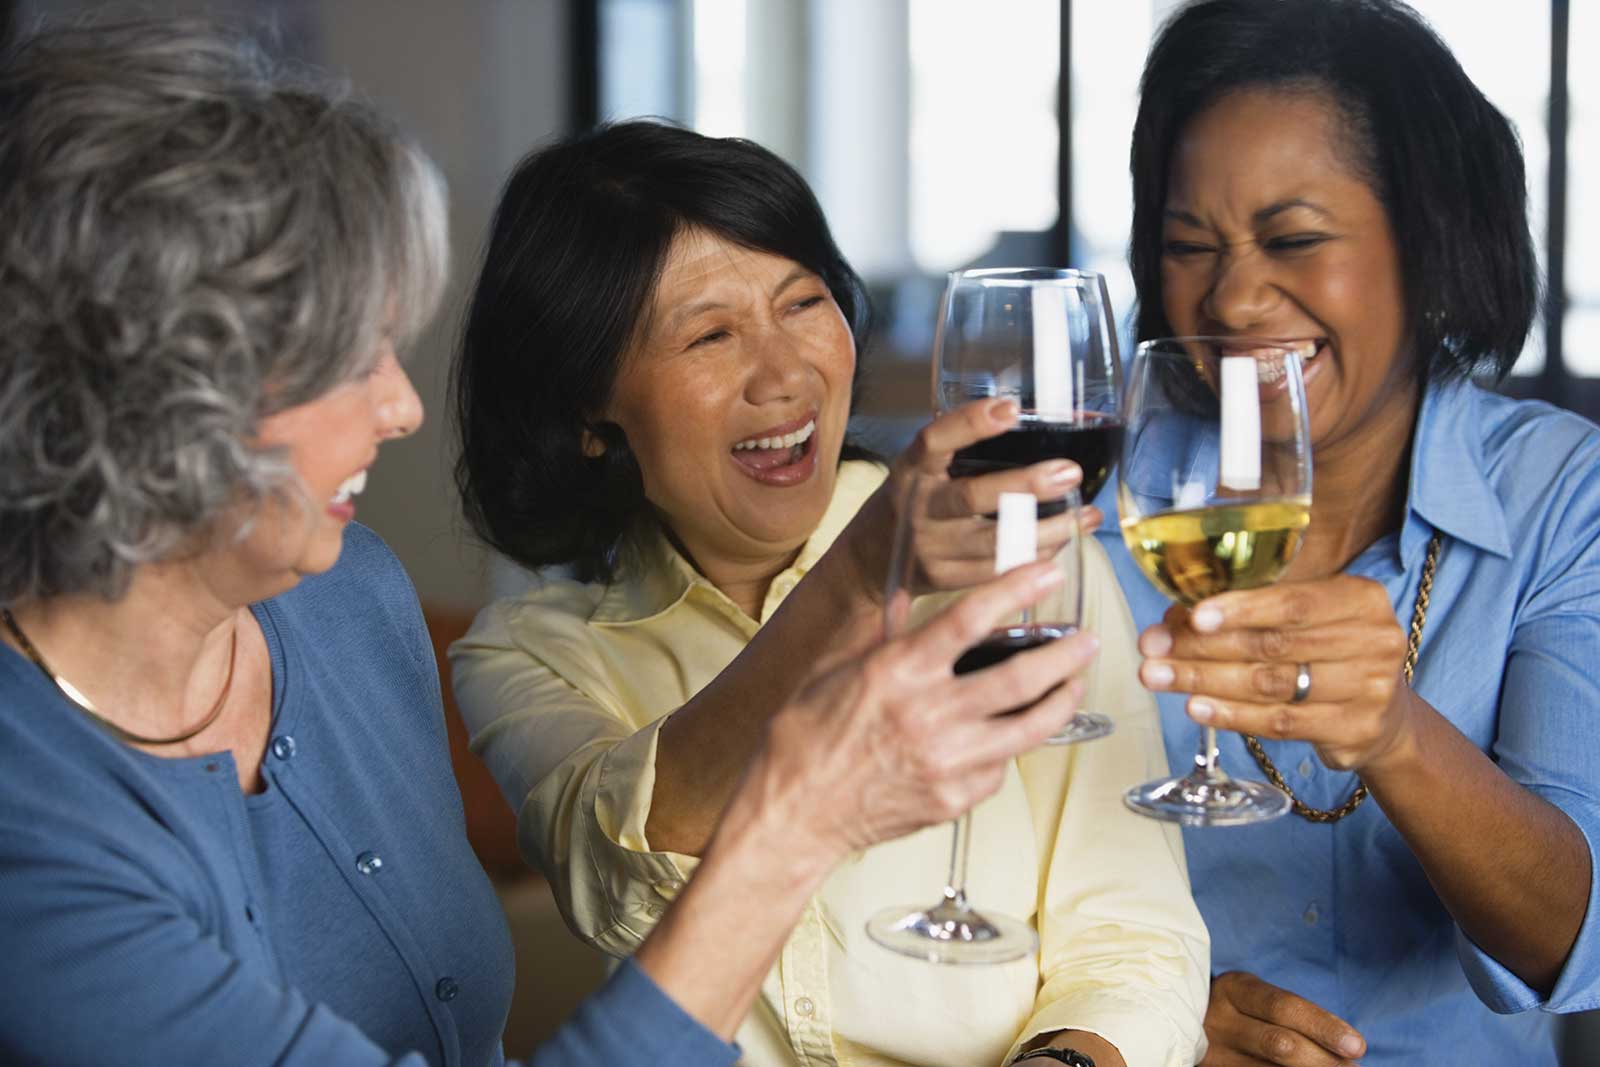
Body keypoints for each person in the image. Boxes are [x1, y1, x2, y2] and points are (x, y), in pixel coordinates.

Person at [0, 20, 1113, 1067]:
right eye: (351, 357)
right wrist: (802, 814)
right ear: (150, 396)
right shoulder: (31, 838)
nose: (401, 408)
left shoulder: (347, 603)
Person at [450, 120, 1209, 1067]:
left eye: (804, 302)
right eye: (710, 334)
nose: (785, 374)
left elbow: (1134, 934)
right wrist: (860, 577)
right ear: (588, 408)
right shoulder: (526, 652)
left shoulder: (1021, 557)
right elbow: (613, 875)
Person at [1094, 1, 1600, 1063]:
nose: (1230, 297)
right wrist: (1147, 1006)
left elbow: (1573, 937)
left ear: (1429, 239)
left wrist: (1397, 736)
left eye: (1293, 239)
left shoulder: (1559, 491)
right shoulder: (1097, 505)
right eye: (1190, 245)